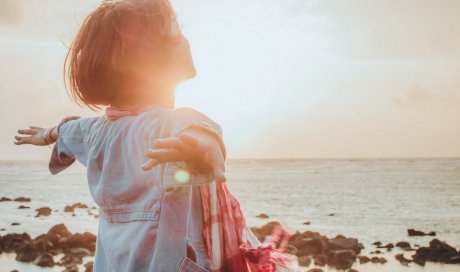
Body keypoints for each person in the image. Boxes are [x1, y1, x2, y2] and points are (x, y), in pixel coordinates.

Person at [14, 0, 240, 271]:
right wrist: (201, 145)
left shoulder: (95, 131)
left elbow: (67, 131)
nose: (184, 37)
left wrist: (46, 134)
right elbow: (199, 132)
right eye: (174, 29)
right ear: (149, 57)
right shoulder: (169, 123)